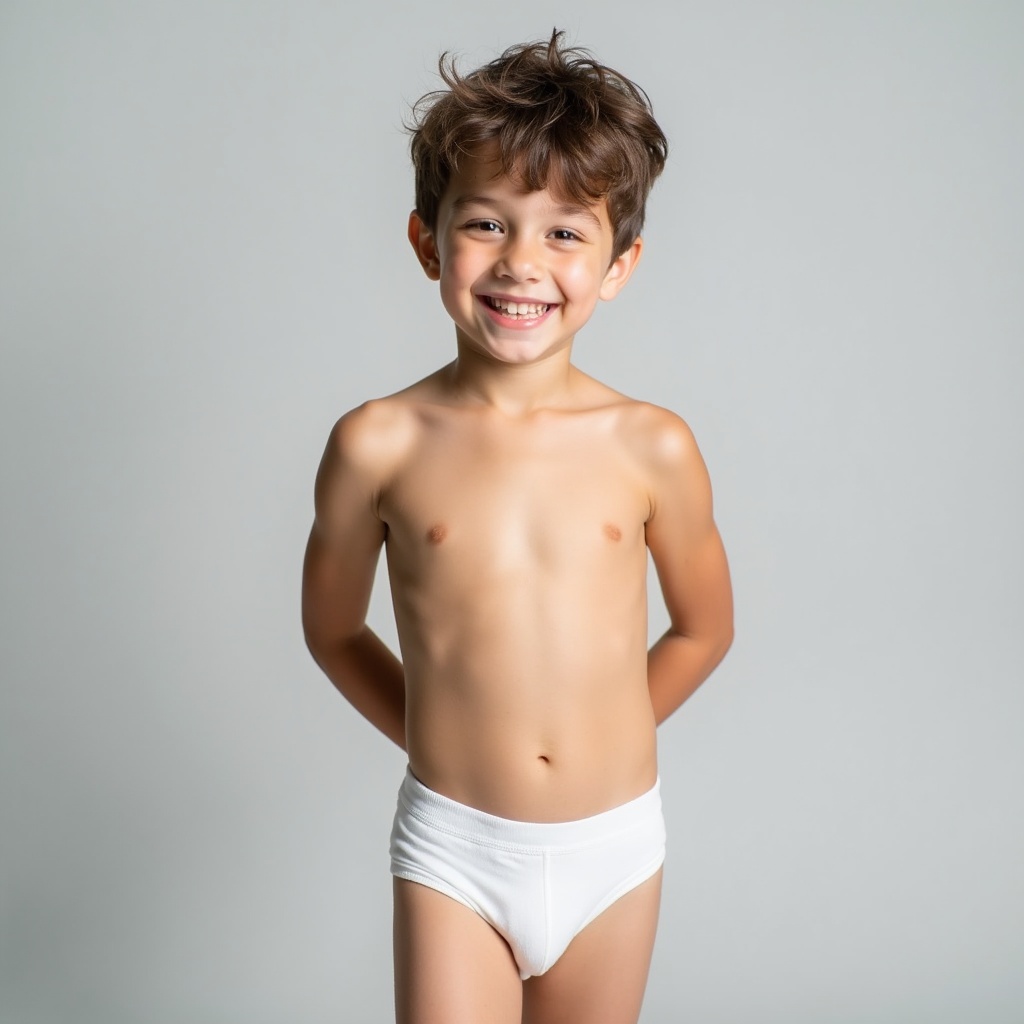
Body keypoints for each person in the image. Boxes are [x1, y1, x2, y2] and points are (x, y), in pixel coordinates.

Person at [301, 29, 734, 1024]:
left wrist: (606, 732)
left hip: (612, 847)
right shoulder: (377, 443)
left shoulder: (652, 445)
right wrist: (450, 738)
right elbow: (330, 629)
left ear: (618, 265)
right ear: (427, 241)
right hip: (457, 845)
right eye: (487, 225)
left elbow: (705, 626)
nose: (522, 264)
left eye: (564, 234)